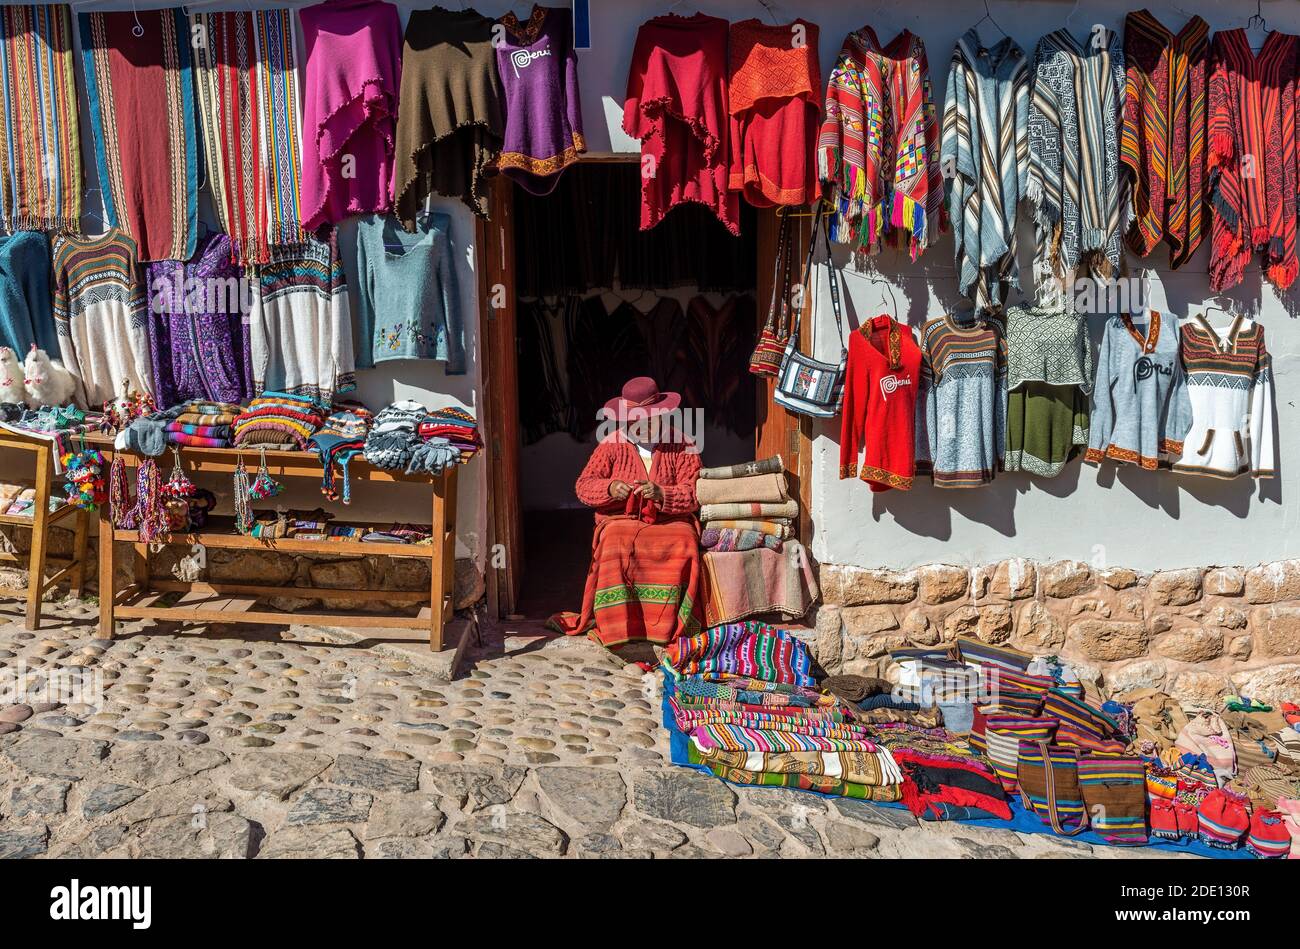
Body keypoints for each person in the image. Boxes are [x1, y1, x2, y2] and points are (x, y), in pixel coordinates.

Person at [548, 376, 702, 648]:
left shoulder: (683, 444)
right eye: (634, 420)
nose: (640, 425)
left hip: (670, 519)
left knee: (685, 540)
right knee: (614, 540)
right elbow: (584, 486)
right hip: (622, 520)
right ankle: (620, 627)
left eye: (647, 419)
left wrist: (662, 494)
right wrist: (610, 488)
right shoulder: (611, 444)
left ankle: (670, 624)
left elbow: (695, 492)